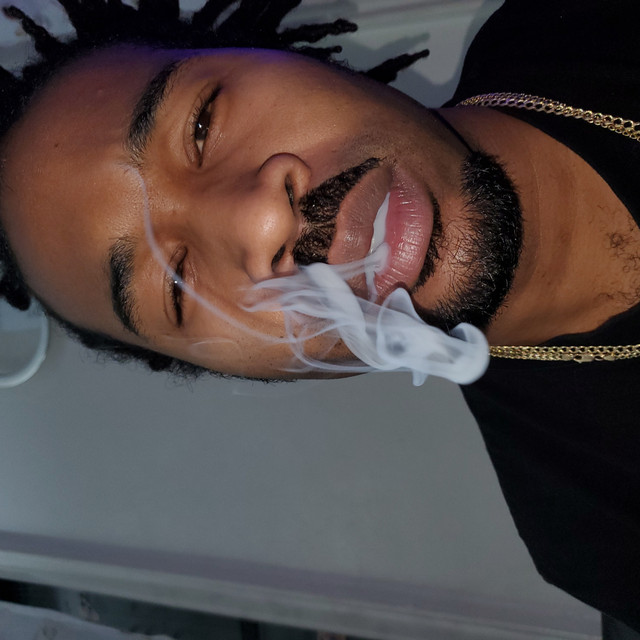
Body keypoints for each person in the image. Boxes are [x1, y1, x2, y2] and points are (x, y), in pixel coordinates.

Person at [1, 0, 639, 635]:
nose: (260, 221)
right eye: (176, 288)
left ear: (283, 55)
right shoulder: (598, 533)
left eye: (201, 125)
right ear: (242, 373)